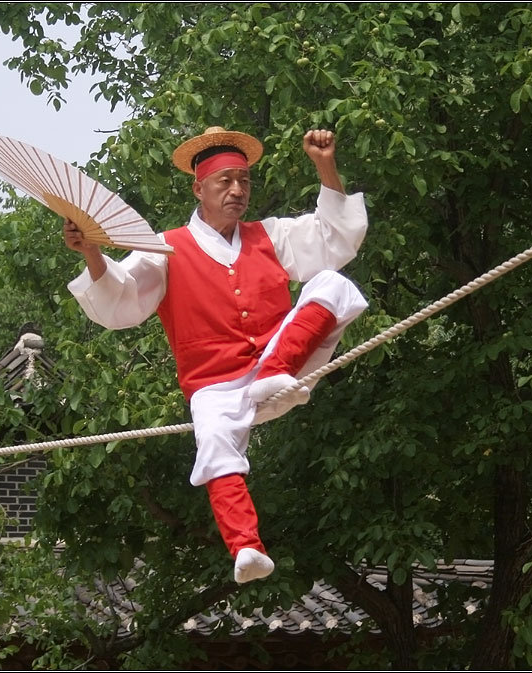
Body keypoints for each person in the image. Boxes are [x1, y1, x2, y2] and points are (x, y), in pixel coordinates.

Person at [64, 126, 369, 583]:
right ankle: (246, 548)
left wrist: (325, 165)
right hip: (217, 388)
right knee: (213, 440)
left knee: (333, 284)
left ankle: (273, 372)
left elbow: (335, 239)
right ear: (199, 189)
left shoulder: (270, 236)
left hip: (282, 368)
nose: (237, 190)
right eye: (225, 181)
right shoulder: (164, 251)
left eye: (244, 181)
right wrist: (91, 252)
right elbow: (120, 299)